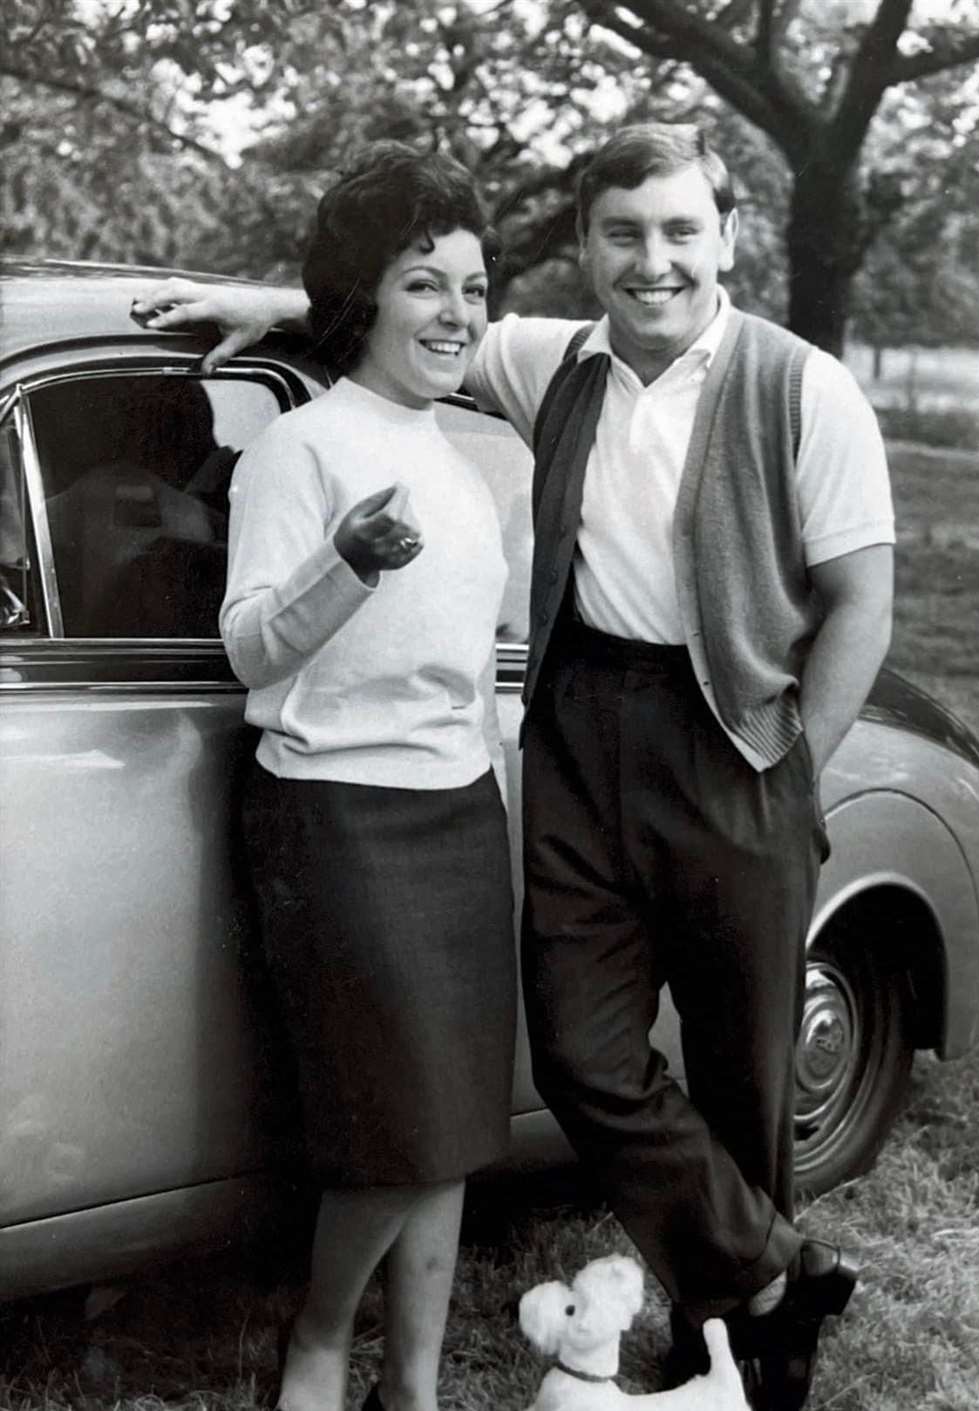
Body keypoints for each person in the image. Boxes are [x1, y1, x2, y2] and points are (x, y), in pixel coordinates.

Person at [134, 121, 894, 1410]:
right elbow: (399, 303)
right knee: (588, 1057)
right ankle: (769, 1268)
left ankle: (749, 1333)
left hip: (741, 734)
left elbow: (861, 601)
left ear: (726, 235)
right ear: (589, 250)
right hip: (584, 721)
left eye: (679, 231)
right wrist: (260, 300)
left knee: (745, 1055)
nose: (652, 261)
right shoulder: (555, 363)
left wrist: (796, 769)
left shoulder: (804, 385)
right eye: (621, 234)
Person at [191, 142, 517, 1411]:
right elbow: (248, 645)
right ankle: (320, 1345)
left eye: (475, 290)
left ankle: (418, 1388)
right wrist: (349, 564)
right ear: (363, 299)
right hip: (336, 817)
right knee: (394, 1131)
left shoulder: (464, 455)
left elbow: (471, 664)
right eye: (426, 284)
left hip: (454, 813)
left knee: (452, 1132)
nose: (458, 316)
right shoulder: (302, 448)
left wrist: (488, 764)